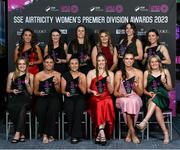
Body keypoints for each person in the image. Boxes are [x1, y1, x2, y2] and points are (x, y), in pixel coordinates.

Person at [136, 55, 172, 144]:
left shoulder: (165, 71)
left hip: (163, 97)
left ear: (159, 63)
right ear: (149, 63)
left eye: (156, 61)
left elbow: (170, 88)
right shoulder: (146, 73)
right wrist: (148, 93)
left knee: (157, 97)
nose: (154, 63)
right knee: (156, 105)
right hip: (150, 97)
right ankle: (165, 133)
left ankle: (144, 122)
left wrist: (164, 83)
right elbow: (143, 89)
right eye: (152, 62)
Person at [114, 51, 143, 144]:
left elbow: (141, 93)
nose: (129, 61)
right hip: (121, 98)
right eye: (126, 59)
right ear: (123, 60)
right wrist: (122, 95)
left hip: (135, 97)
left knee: (132, 102)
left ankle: (129, 133)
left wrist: (134, 86)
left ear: (134, 60)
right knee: (127, 102)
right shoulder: (119, 73)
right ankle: (133, 133)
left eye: (131, 59)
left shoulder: (139, 72)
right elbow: (115, 92)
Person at [87, 52, 115, 145]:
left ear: (106, 61)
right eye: (99, 61)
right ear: (96, 62)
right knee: (99, 103)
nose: (101, 62)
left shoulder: (110, 73)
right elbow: (87, 89)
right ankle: (102, 131)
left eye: (103, 60)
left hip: (106, 96)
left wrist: (109, 83)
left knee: (108, 101)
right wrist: (92, 91)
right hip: (95, 97)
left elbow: (111, 92)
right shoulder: (91, 72)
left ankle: (100, 132)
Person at [34, 55, 61, 144]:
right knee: (41, 109)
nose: (49, 64)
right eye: (47, 62)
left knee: (53, 109)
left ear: (53, 64)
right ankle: (46, 134)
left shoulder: (58, 74)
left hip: (54, 97)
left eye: (51, 62)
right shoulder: (38, 75)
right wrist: (39, 93)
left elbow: (59, 91)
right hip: (42, 97)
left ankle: (47, 134)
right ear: (44, 63)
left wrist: (56, 84)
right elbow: (35, 91)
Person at [6, 57, 34, 143]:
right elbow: (7, 89)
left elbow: (31, 93)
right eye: (20, 64)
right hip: (14, 98)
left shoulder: (31, 75)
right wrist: (12, 90)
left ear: (26, 65)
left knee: (22, 107)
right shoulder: (11, 74)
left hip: (26, 99)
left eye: (23, 64)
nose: (22, 66)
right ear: (17, 65)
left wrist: (27, 84)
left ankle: (17, 133)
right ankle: (22, 133)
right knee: (12, 106)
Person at [61, 57, 86, 144]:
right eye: (72, 63)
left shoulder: (82, 75)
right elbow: (62, 90)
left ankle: (75, 135)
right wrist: (65, 93)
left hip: (80, 98)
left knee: (78, 109)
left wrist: (79, 84)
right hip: (69, 97)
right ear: (69, 65)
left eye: (76, 63)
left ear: (79, 65)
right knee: (70, 109)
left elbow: (84, 91)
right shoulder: (65, 75)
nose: (74, 65)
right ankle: (73, 132)